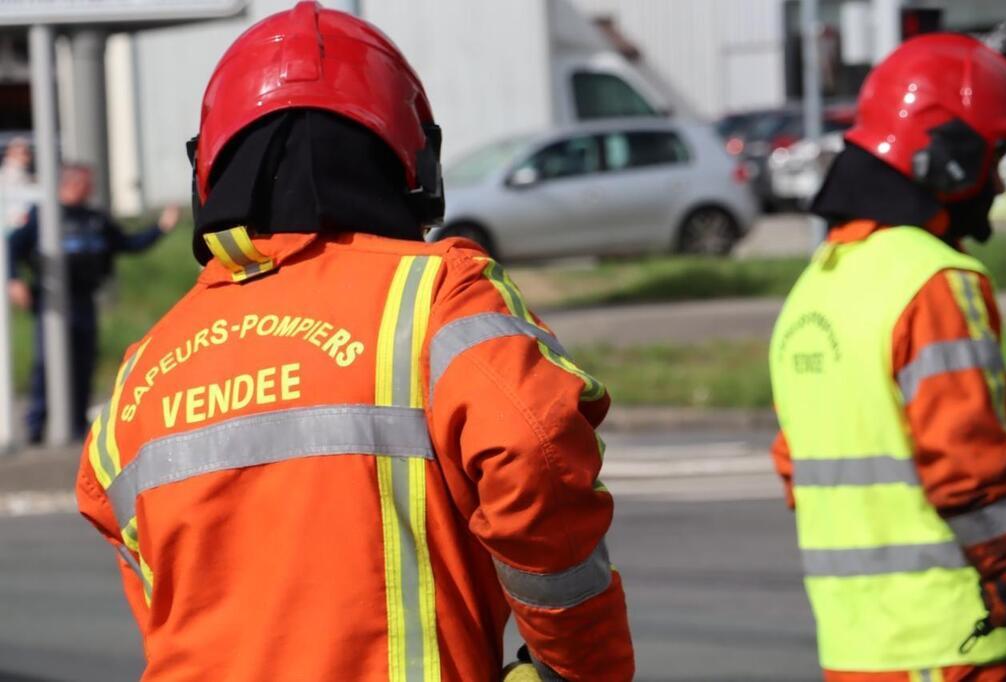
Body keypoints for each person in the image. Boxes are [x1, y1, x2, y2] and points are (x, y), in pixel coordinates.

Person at [75, 3, 634, 681]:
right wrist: (578, 666)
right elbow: (534, 453)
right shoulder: (438, 299)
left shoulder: (145, 371)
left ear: (212, 170)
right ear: (413, 159)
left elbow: (155, 583)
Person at [770, 34, 1006, 681]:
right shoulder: (935, 281)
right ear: (950, 157)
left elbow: (799, 469)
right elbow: (973, 473)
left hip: (859, 650)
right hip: (958, 645)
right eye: (994, 157)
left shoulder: (815, 292)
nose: (996, 180)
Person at [7, 164, 180, 443]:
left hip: (83, 300)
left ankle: (76, 429)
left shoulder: (95, 219)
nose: (92, 189)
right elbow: (12, 247)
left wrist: (161, 228)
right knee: (47, 365)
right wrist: (14, 280)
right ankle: (35, 429)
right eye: (88, 183)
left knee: (83, 363)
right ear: (72, 184)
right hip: (51, 303)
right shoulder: (44, 216)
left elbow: (127, 244)